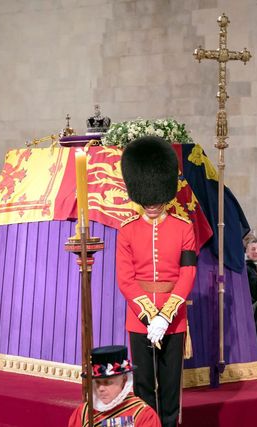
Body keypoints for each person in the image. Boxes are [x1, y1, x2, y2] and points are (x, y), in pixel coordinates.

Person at [117, 136, 197, 427]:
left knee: (171, 384)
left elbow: (188, 273)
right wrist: (149, 314)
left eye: (157, 200)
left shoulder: (184, 228)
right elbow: (125, 279)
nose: (151, 206)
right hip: (139, 320)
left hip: (174, 320)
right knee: (144, 387)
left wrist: (165, 315)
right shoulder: (126, 231)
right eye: (147, 201)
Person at [68, 345, 160, 427]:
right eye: (97, 382)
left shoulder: (143, 415)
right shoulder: (83, 413)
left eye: (108, 383)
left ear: (124, 380)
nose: (101, 388)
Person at [244, 234, 257, 349]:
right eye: (253, 249)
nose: (256, 252)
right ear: (247, 252)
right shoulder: (244, 268)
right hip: (250, 308)